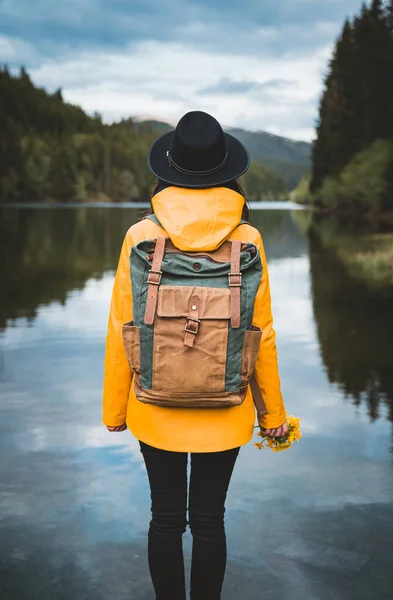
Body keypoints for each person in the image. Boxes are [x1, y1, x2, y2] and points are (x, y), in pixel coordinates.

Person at [102, 111, 287, 600]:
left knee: (164, 519)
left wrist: (114, 409)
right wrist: (273, 415)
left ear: (169, 169)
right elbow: (260, 333)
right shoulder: (248, 239)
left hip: (153, 405)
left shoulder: (140, 236)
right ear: (229, 173)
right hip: (226, 407)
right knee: (209, 521)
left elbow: (121, 327)